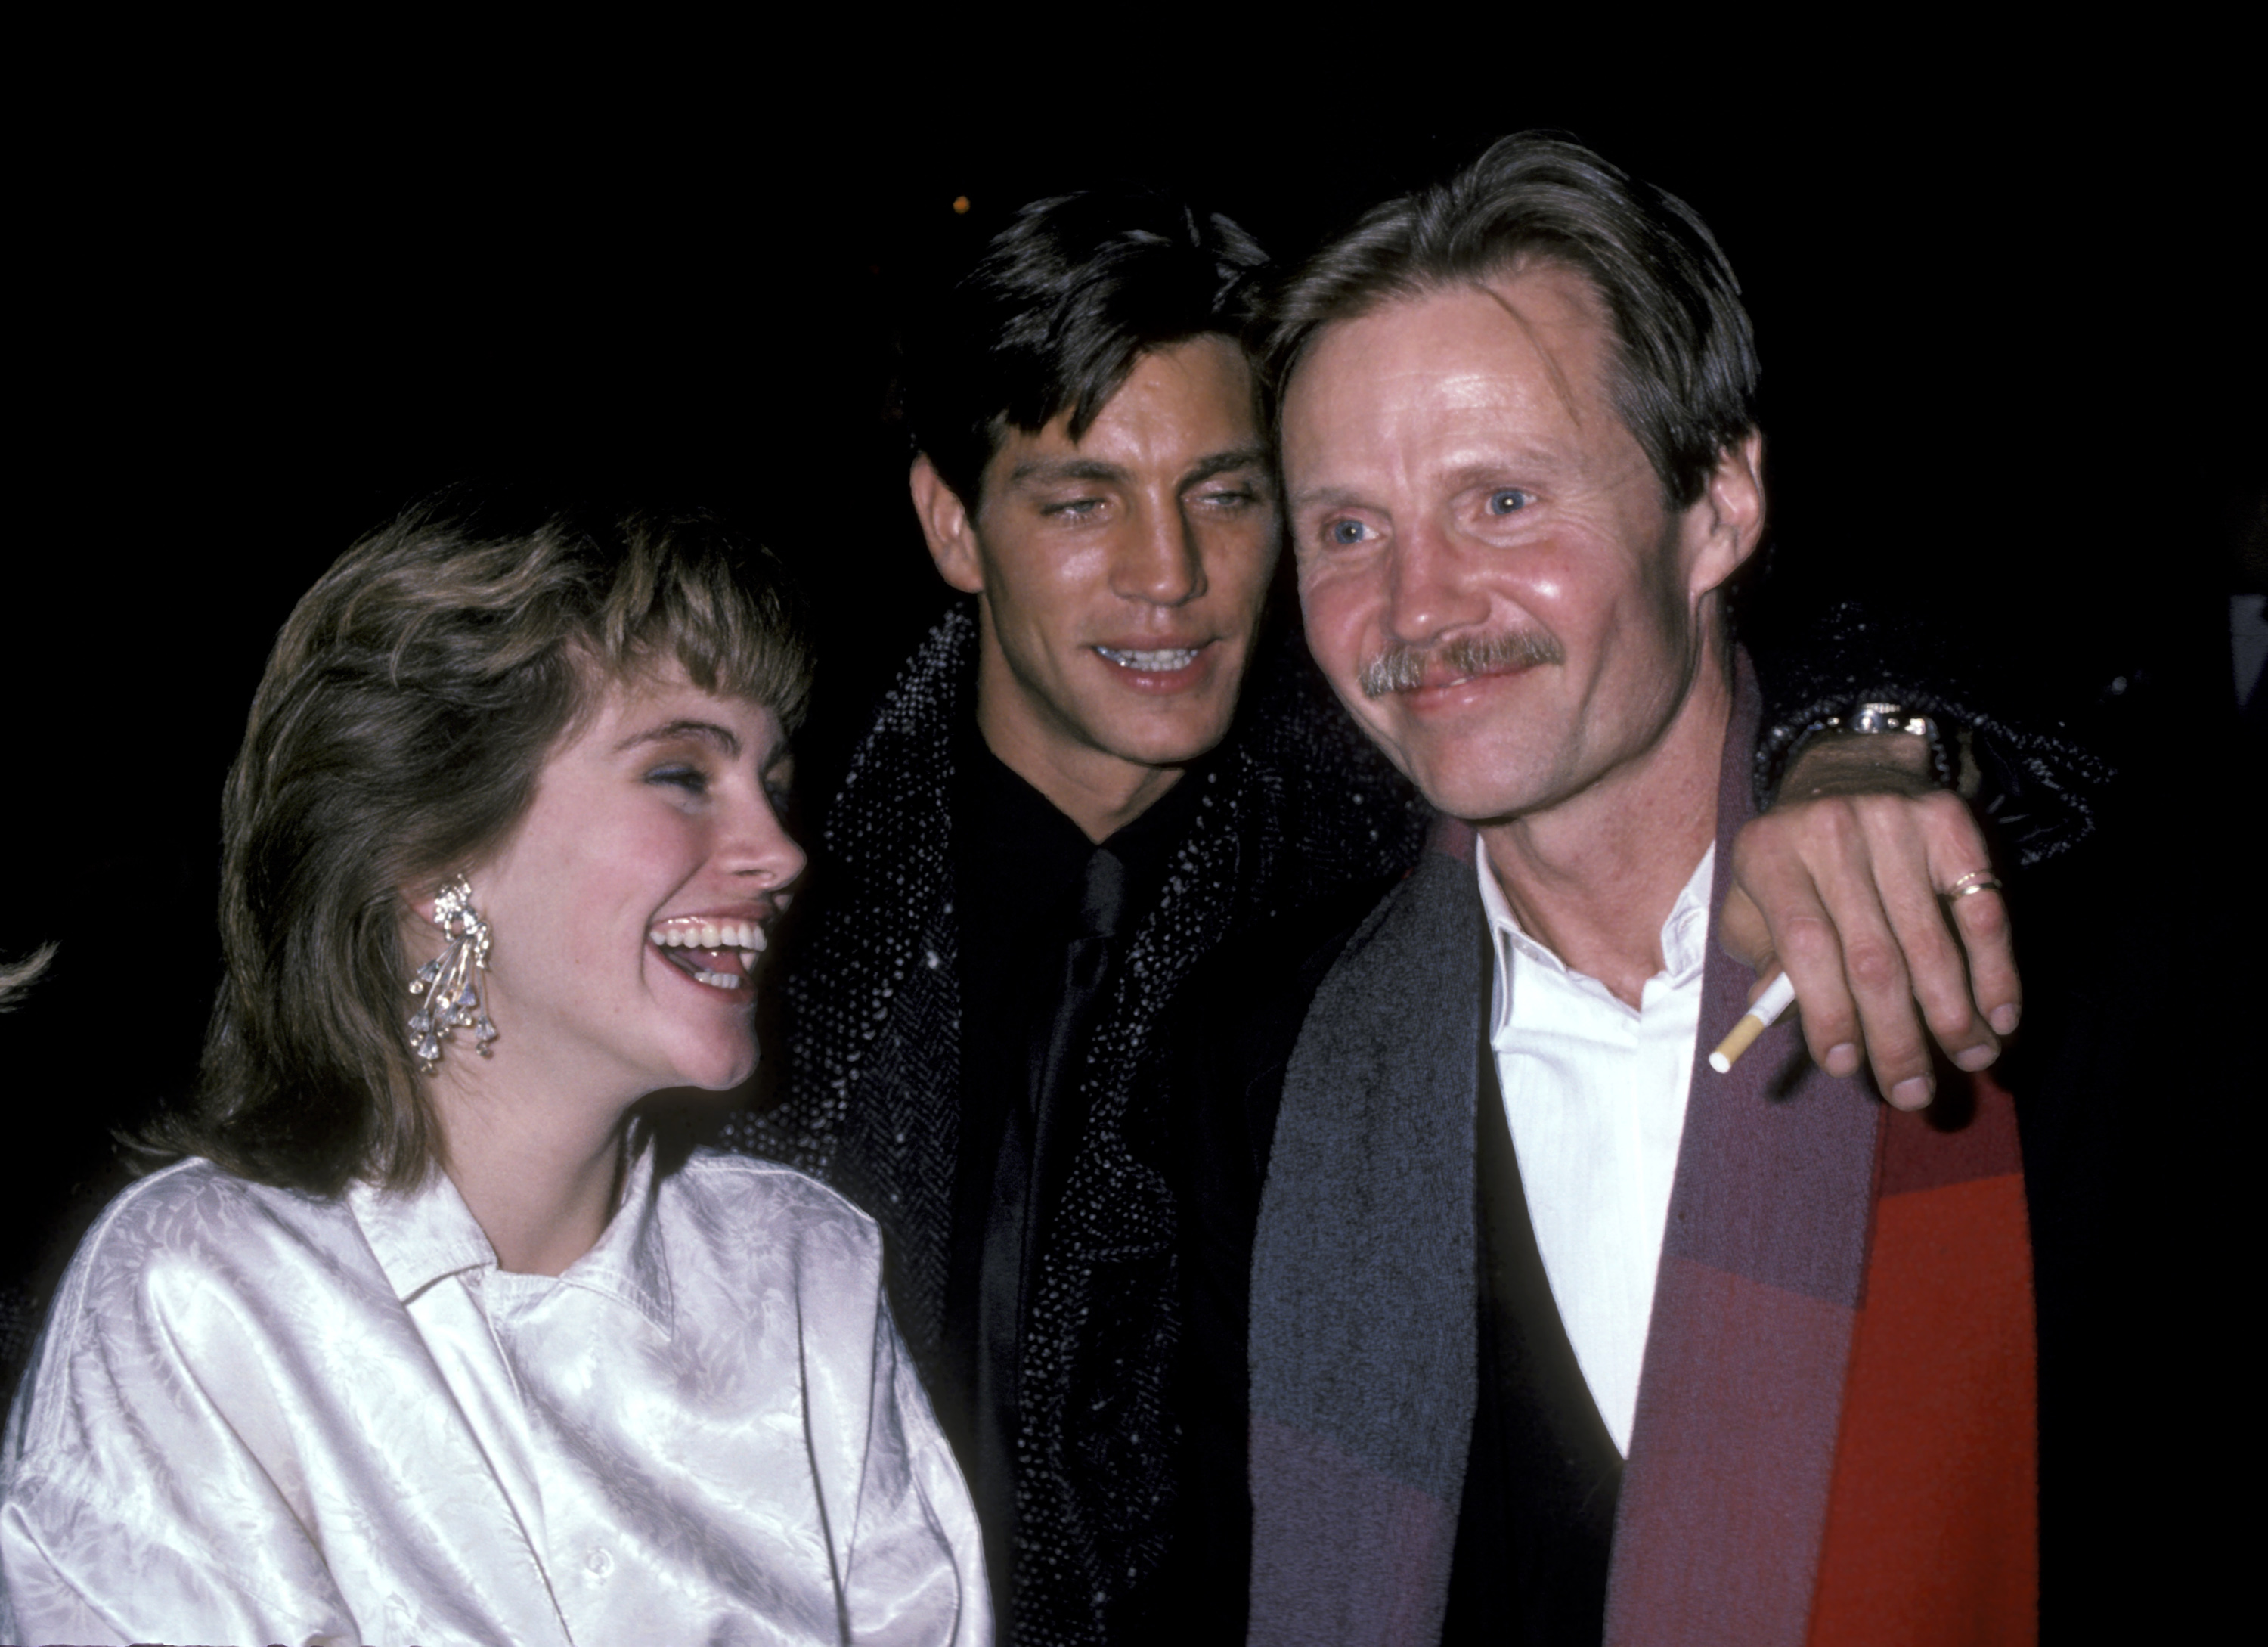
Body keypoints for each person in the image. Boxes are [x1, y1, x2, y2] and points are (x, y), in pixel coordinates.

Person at [733, 189, 2093, 1642]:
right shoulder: (777, 891)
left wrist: (1879, 727)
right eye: (1080, 499)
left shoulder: (1370, 847)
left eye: (1232, 493)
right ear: (952, 521)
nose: (1169, 574)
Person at [1176, 134, 2043, 1644]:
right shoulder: (1254, 1072)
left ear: (1714, 506)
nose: (1418, 606)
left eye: (1501, 501)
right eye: (1347, 529)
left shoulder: (2042, 985)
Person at [0, 499, 990, 1645]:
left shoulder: (804, 1272)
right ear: (432, 858)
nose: (779, 849)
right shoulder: (206, 1297)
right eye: (682, 774)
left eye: (771, 777)